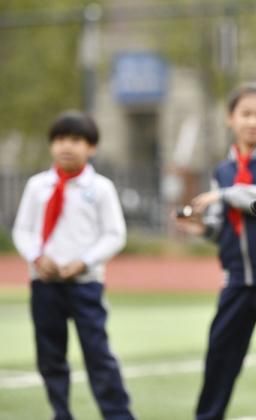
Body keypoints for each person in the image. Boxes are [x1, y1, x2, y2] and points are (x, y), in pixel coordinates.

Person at [174, 82, 256, 420]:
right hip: (236, 282)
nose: (253, 121)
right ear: (231, 119)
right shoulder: (222, 171)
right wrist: (201, 228)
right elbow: (221, 228)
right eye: (245, 114)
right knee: (220, 354)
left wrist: (225, 195)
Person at [12, 111, 135, 420]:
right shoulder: (38, 186)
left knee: (98, 354)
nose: (67, 146)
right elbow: (22, 229)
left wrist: (85, 262)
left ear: (91, 147)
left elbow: (114, 233)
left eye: (76, 140)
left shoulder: (101, 188)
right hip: (45, 283)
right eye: (60, 139)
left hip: (85, 284)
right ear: (52, 145)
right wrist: (37, 258)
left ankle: (117, 414)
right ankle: (61, 412)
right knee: (50, 356)